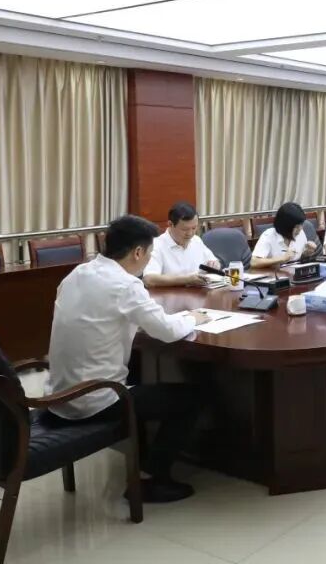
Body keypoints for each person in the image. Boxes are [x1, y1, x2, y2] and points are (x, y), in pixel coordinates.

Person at [47, 215, 210, 503]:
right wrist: (193, 318)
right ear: (138, 252)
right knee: (191, 397)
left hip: (59, 394)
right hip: (96, 400)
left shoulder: (77, 274)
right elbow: (168, 331)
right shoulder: (125, 285)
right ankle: (152, 479)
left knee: (138, 367)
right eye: (149, 254)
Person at [142, 202, 222, 287]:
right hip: (171, 294)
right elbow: (149, 279)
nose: (190, 233)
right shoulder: (156, 245)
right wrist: (187, 280)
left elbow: (214, 262)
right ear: (170, 224)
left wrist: (215, 265)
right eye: (185, 229)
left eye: (194, 228)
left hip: (199, 292)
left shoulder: (196, 240)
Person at [251, 201, 316, 268]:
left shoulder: (300, 233)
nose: (300, 229)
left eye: (301, 225)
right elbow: (254, 262)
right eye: (296, 227)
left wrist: (306, 253)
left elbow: (298, 260)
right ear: (285, 226)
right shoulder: (269, 235)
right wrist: (282, 258)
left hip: (293, 272)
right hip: (274, 273)